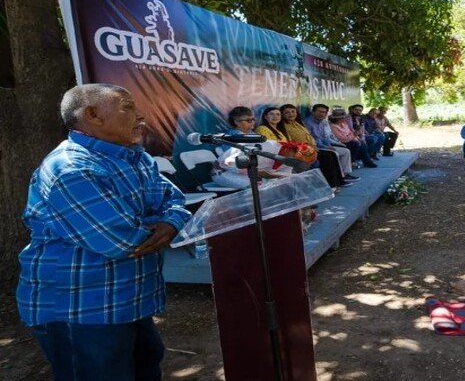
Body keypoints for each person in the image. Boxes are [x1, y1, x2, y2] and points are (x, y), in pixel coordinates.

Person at [17, 84, 192, 380]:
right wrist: (157, 222)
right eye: (127, 107)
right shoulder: (70, 168)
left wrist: (170, 221)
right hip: (82, 308)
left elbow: (174, 200)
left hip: (127, 300)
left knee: (145, 368)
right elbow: (122, 240)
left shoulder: (135, 157)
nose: (141, 115)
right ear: (93, 114)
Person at [281, 104, 346, 188]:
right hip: (300, 151)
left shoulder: (298, 123)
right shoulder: (284, 126)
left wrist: (314, 146)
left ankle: (337, 182)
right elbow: (289, 142)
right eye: (287, 112)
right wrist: (311, 148)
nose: (291, 114)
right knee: (328, 156)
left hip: (311, 148)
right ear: (282, 114)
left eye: (293, 111)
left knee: (331, 154)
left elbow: (310, 136)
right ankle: (331, 185)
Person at [213, 140, 316, 189]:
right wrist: (257, 173)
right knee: (260, 186)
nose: (295, 162)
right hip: (222, 172)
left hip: (252, 175)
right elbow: (229, 163)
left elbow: (285, 176)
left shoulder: (290, 159)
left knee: (279, 186)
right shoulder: (267, 147)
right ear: (290, 150)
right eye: (296, 159)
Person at [308, 104, 357, 181]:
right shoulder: (308, 122)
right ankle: (338, 179)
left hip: (325, 145)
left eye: (324, 112)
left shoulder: (322, 122)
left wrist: (332, 145)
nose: (321, 114)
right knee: (334, 153)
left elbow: (325, 137)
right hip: (315, 147)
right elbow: (312, 140)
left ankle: (345, 174)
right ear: (313, 112)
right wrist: (327, 147)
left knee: (346, 151)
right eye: (319, 111)